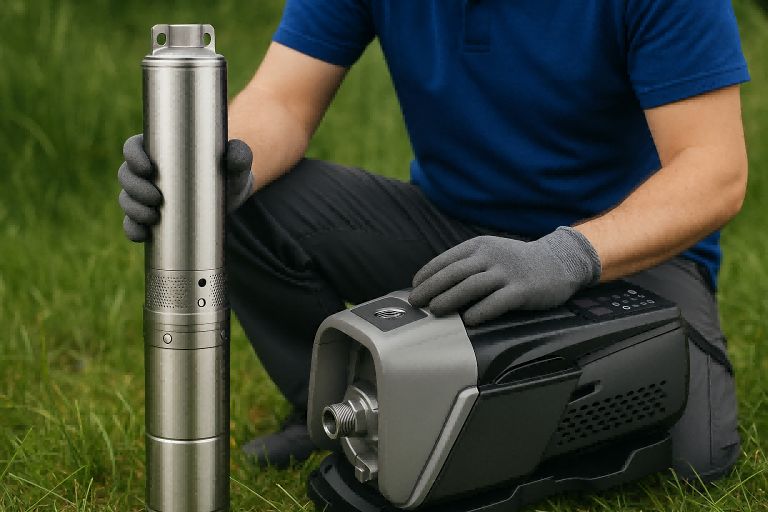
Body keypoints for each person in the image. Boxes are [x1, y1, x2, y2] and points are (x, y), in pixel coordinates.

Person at [119, 0, 749, 486]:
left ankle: (429, 412)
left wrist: (567, 256)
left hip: (623, 256)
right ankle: (339, 410)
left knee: (696, 453)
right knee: (234, 201)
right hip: (449, 236)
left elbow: (713, 169)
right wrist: (212, 167)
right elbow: (282, 101)